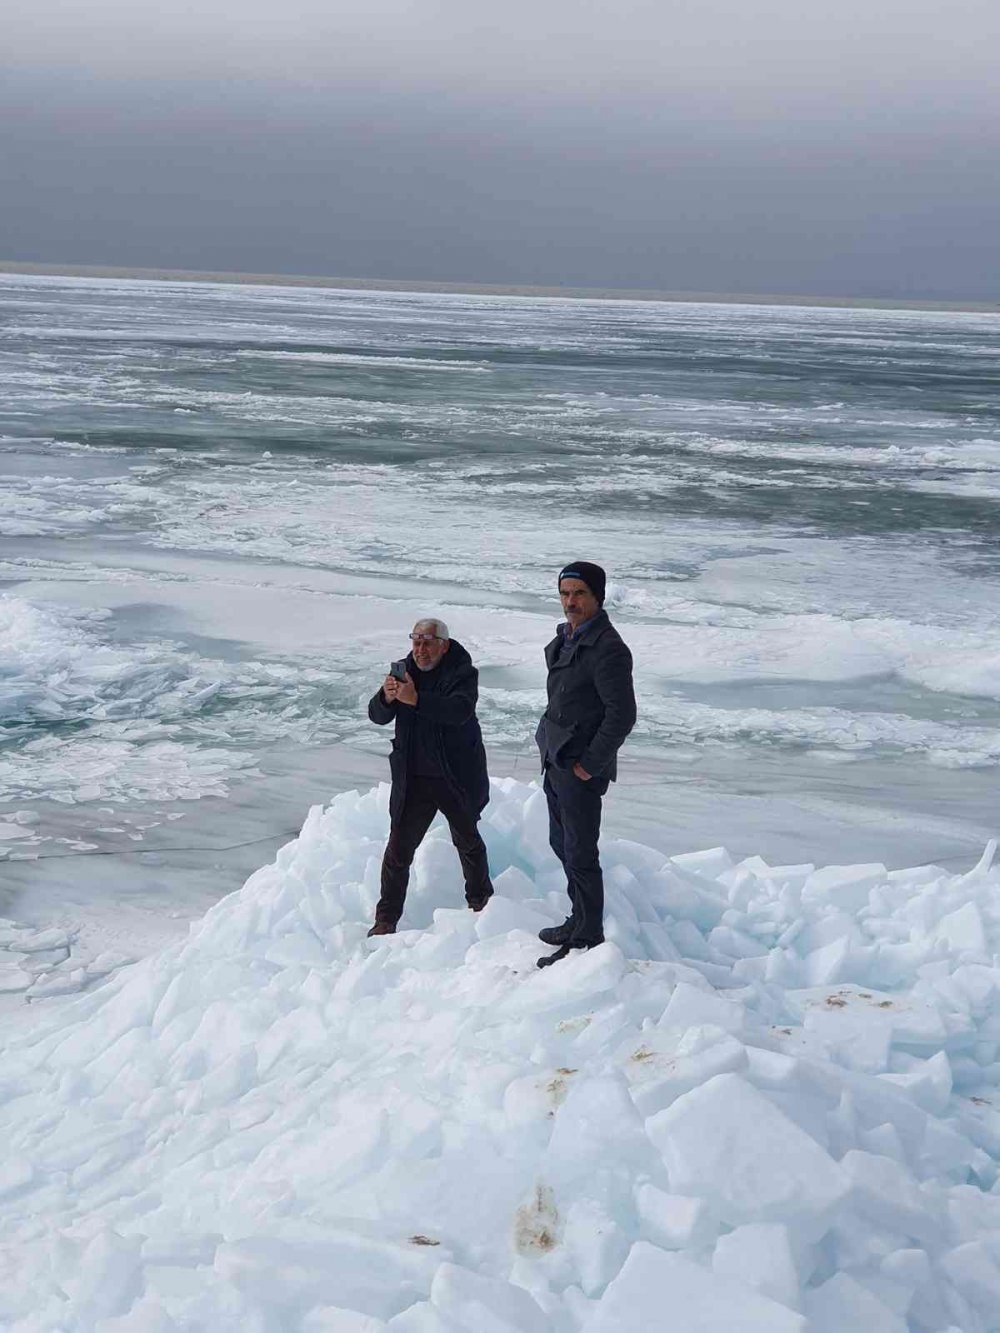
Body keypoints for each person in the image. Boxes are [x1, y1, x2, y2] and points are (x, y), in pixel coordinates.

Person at [534, 562, 636, 967]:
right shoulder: (568, 639)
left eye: (579, 594)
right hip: (556, 757)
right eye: (565, 594)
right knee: (562, 844)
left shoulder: (609, 648)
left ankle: (589, 933)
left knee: (580, 851)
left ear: (597, 597)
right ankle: (578, 918)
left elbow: (622, 714)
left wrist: (590, 765)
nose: (570, 602)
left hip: (579, 766)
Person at [367, 618, 493, 935]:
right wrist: (386, 697)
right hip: (414, 778)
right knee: (397, 850)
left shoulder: (462, 672)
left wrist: (417, 699)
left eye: (427, 643)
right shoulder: (404, 671)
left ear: (444, 645)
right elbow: (377, 715)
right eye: (416, 642)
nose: (421, 650)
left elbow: (459, 711)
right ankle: (385, 920)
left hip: (454, 776)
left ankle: (481, 906)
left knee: (468, 842)